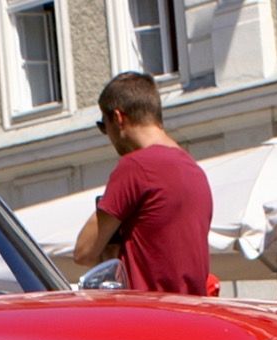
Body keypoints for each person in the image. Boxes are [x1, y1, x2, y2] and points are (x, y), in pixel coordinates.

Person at [73, 72, 213, 295]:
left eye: (103, 125)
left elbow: (84, 251)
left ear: (118, 118)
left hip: (150, 316)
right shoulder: (194, 171)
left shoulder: (135, 167)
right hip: (192, 315)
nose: (107, 135)